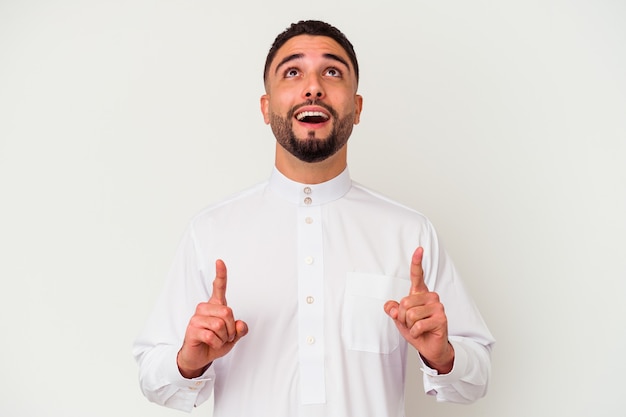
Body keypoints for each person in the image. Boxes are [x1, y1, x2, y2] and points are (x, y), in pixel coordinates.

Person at [133, 20, 495, 416]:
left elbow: (475, 378)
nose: (313, 87)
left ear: (356, 109)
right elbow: (153, 376)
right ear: (266, 107)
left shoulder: (409, 232)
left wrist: (442, 356)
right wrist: (189, 360)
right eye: (292, 72)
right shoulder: (211, 231)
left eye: (332, 72)